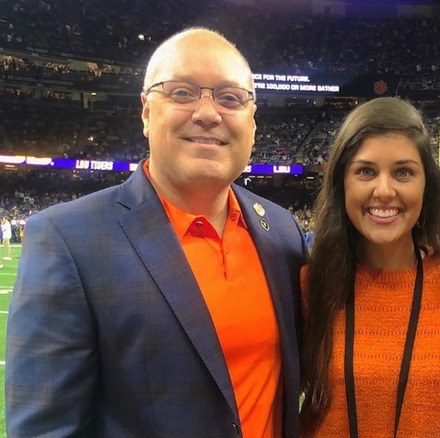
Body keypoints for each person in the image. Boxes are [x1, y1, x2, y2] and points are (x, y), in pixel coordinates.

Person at [5, 28, 307, 438]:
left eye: (230, 97)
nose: (208, 112)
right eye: (182, 92)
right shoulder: (66, 239)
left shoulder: (281, 230)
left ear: (253, 123)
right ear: (146, 112)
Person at [299, 97, 440, 437]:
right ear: (342, 183)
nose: (384, 191)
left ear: (426, 185)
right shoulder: (310, 285)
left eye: (403, 172)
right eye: (366, 171)